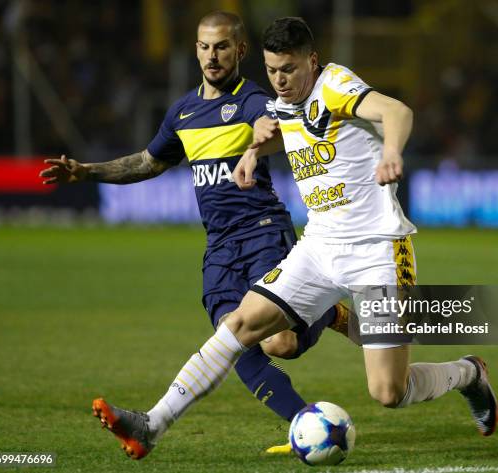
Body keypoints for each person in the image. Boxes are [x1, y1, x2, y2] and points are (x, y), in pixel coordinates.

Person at [88, 16, 498, 460]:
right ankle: (152, 423)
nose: (280, 81)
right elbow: (289, 131)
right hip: (319, 249)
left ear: (312, 61)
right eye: (271, 71)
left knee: (388, 391)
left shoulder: (335, 85)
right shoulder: (283, 104)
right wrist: (251, 152)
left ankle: (469, 373)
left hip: (377, 250)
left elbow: (397, 111)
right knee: (240, 326)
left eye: (289, 69)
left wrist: (392, 151)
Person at [39, 11, 349, 455]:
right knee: (237, 343)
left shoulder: (253, 100)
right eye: (204, 47)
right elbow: (149, 162)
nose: (212, 56)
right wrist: (87, 172)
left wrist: (269, 130)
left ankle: (326, 313)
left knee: (281, 343)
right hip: (220, 248)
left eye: (222, 46)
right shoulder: (183, 112)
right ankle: (305, 423)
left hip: (263, 233)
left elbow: (287, 121)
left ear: (240, 51)